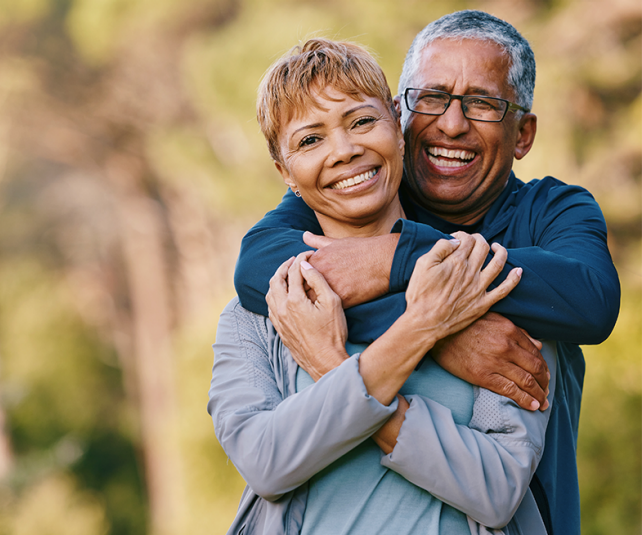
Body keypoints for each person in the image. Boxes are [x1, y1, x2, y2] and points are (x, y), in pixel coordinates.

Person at [233, 11, 620, 535]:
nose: (452, 123)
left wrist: (393, 261)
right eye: (432, 98)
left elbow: (590, 299)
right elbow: (258, 267)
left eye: (483, 103)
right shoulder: (354, 189)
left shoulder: (551, 215)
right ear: (402, 112)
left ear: (523, 133)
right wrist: (437, 331)